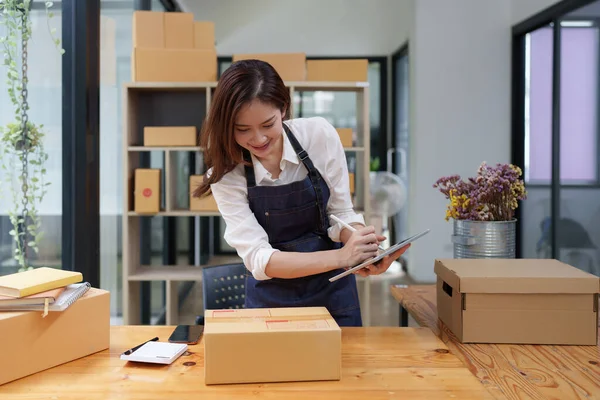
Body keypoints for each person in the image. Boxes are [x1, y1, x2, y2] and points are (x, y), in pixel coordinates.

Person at [192, 59, 410, 327]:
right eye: (242, 129)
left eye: (268, 124)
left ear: (283, 109)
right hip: (270, 302)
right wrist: (342, 257)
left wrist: (361, 247)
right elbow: (260, 259)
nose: (258, 139)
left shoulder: (319, 136)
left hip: (334, 296)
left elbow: (339, 212)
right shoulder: (226, 175)